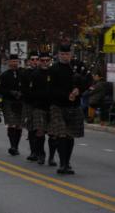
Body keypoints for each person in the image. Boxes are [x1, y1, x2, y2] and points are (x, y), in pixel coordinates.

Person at [49, 43, 85, 175]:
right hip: (58, 106)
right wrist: (66, 95)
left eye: (67, 54)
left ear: (71, 54)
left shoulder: (78, 67)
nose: (65, 57)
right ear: (59, 54)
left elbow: (88, 80)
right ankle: (62, 163)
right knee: (62, 134)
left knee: (70, 136)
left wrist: (79, 89)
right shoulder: (53, 69)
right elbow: (51, 89)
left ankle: (67, 162)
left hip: (74, 106)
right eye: (63, 54)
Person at [29, 52, 56, 165]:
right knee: (39, 131)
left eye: (47, 60)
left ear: (50, 61)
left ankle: (51, 157)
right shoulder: (35, 74)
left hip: (52, 106)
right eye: (43, 60)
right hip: (39, 106)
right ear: (39, 61)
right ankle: (41, 154)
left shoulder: (54, 73)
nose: (45, 62)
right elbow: (31, 91)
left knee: (53, 133)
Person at [0, 54, 23, 156]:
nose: (14, 63)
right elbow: (1, 89)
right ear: (9, 63)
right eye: (12, 61)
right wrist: (11, 92)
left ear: (18, 62)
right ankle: (12, 145)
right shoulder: (4, 75)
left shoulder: (23, 74)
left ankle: (16, 146)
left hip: (20, 102)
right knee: (11, 123)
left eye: (16, 61)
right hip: (9, 102)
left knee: (18, 125)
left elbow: (27, 86)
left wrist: (21, 93)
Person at [21, 51, 39, 161]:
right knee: (31, 129)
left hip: (41, 104)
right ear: (29, 61)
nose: (35, 61)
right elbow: (24, 89)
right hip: (29, 103)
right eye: (32, 59)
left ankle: (40, 152)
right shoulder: (25, 73)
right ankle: (33, 151)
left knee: (41, 129)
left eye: (37, 59)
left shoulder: (44, 72)